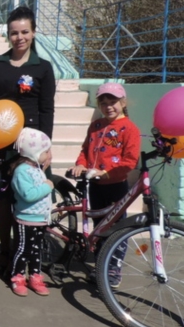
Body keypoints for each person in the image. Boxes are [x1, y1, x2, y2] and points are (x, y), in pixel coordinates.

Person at [0, 6, 56, 275]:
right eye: (14, 32)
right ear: (8, 35)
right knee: (4, 199)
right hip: (2, 143)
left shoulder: (43, 68)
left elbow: (47, 109)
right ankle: (5, 250)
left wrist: (46, 147)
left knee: (30, 200)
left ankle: (28, 254)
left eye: (25, 32)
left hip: (33, 146)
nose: (19, 37)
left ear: (33, 33)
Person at [68, 82, 140, 287]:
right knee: (99, 226)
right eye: (104, 103)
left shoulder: (129, 128)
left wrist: (107, 173)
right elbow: (85, 150)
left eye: (113, 102)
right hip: (95, 185)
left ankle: (114, 267)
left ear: (123, 102)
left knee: (116, 228)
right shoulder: (96, 125)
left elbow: (130, 161)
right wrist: (81, 165)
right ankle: (101, 263)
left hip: (116, 185)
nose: (109, 106)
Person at [9, 127, 54, 297]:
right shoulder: (22, 171)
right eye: (46, 151)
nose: (49, 154)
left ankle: (35, 277)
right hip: (26, 219)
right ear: (34, 152)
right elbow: (28, 195)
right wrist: (47, 186)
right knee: (23, 250)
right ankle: (17, 277)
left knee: (36, 250)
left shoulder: (36, 169)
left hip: (40, 219)